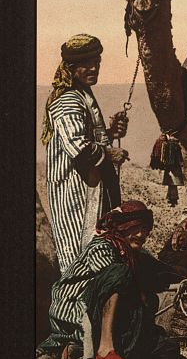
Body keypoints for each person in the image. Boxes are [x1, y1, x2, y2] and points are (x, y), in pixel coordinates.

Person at [40, 201, 182, 359]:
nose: (141, 235)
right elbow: (115, 281)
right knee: (119, 273)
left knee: (167, 349)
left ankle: (81, 351)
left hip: (108, 318)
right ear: (123, 228)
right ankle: (105, 349)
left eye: (145, 230)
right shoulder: (101, 247)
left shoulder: (133, 254)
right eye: (135, 229)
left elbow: (164, 272)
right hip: (78, 314)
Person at [41, 34, 129, 272]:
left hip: (91, 190)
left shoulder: (83, 94)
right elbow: (79, 149)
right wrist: (110, 154)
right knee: (78, 256)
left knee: (97, 253)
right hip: (75, 193)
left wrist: (110, 132)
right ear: (70, 68)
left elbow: (87, 139)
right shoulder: (67, 100)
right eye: (86, 64)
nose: (93, 68)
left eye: (97, 62)